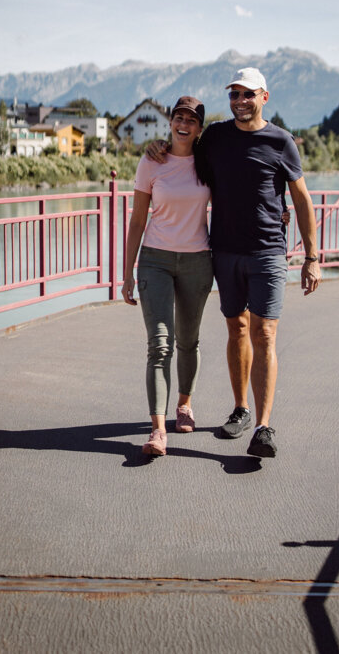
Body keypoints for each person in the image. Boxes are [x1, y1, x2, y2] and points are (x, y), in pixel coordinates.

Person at [146, 68, 321, 458]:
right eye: (234, 95)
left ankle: (263, 426)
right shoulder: (217, 137)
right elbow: (183, 150)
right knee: (237, 328)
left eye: (247, 94)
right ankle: (240, 409)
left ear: (264, 97)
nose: (239, 101)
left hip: (268, 252)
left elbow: (303, 199)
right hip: (224, 251)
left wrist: (312, 257)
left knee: (265, 333)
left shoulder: (281, 141)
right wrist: (157, 146)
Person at [121, 96, 212, 457]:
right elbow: (138, 220)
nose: (184, 123)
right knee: (160, 345)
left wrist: (274, 211)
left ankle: (184, 405)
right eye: (179, 117)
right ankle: (158, 430)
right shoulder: (151, 160)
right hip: (155, 260)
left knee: (188, 340)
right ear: (170, 121)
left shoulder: (210, 163)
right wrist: (126, 272)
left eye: (191, 119)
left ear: (200, 128)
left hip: (197, 261)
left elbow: (238, 197)